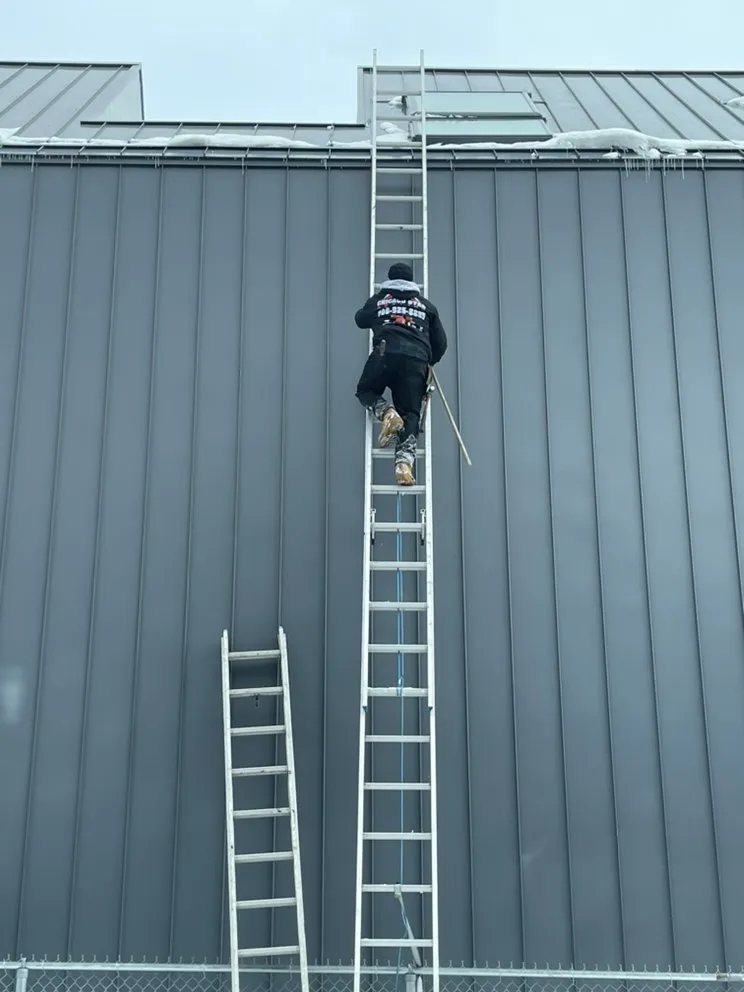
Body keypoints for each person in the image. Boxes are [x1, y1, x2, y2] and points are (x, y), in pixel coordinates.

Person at [354, 262, 448, 486]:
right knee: (411, 413)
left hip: (385, 353)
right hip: (416, 360)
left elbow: (360, 320)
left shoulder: (379, 300)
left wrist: (380, 308)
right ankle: (404, 464)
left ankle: (387, 413)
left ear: (390, 279)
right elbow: (441, 344)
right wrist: (429, 361)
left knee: (366, 390)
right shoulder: (426, 306)